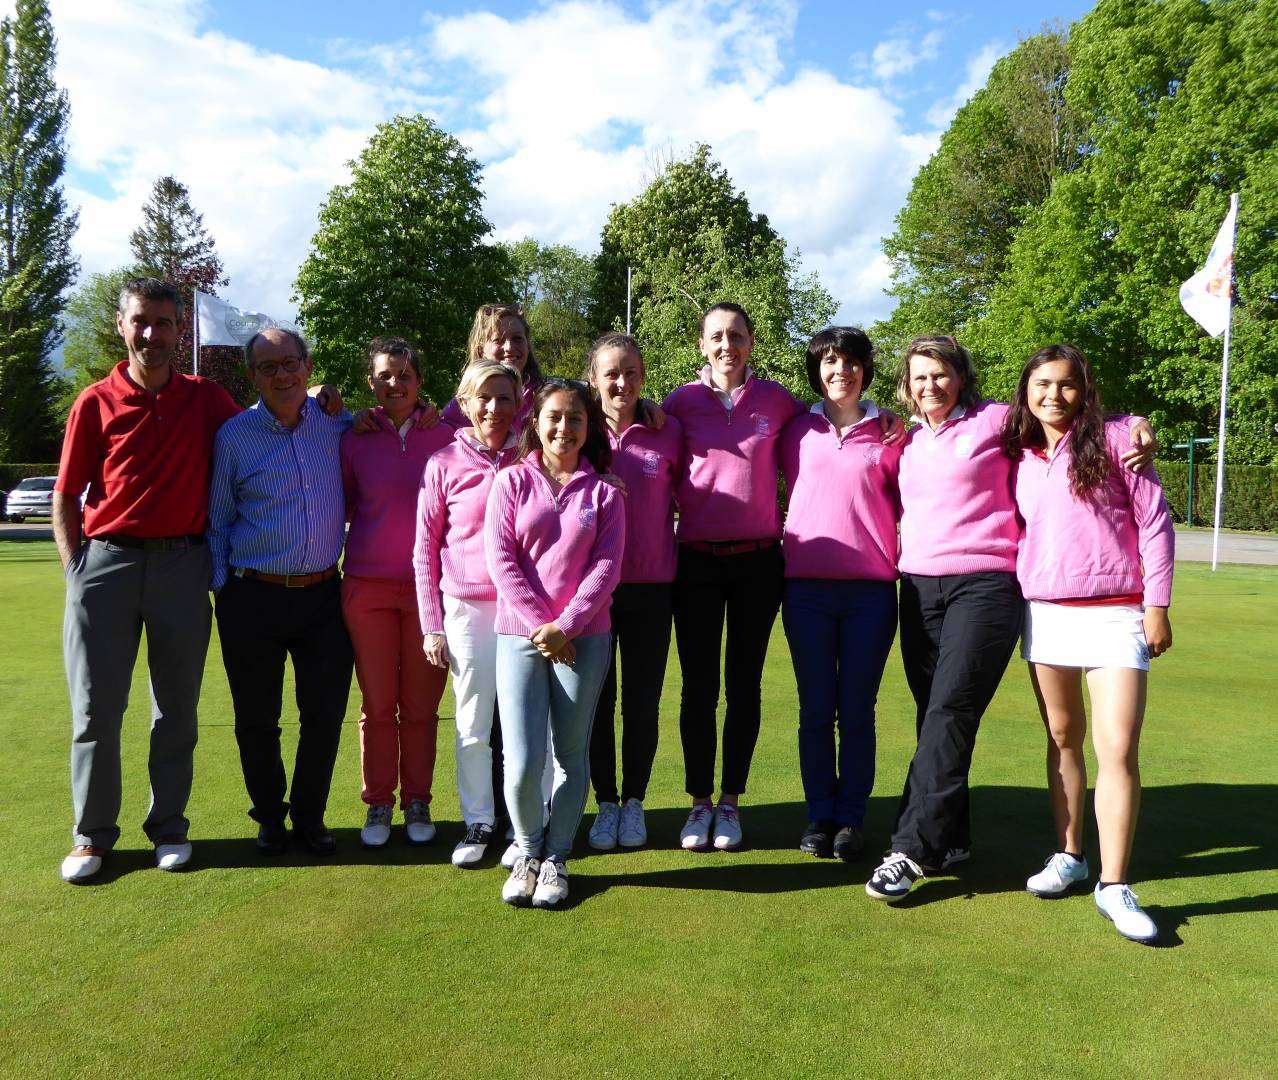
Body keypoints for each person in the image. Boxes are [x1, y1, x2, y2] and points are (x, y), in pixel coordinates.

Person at [865, 336, 1155, 902]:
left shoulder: (998, 423)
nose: (932, 385)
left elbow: (1068, 415)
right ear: (907, 384)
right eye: (920, 376)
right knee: (935, 715)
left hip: (987, 586)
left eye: (942, 374)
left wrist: (1135, 424)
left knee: (951, 709)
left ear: (962, 377)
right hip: (919, 587)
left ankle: (912, 849)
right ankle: (951, 838)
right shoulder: (902, 437)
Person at [663, 303, 902, 852]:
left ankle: (732, 804)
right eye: (717, 336)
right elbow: (643, 439)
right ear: (703, 343)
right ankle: (701, 804)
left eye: (738, 336)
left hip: (761, 563)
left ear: (752, 342)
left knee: (744, 685)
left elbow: (843, 410)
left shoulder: (781, 406)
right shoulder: (677, 404)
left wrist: (889, 415)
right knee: (699, 688)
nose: (728, 345)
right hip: (695, 561)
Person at [54, 278, 239, 882]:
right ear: (122, 325)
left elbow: (264, 431)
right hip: (105, 562)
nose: (152, 335)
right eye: (142, 322)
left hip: (182, 565)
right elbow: (65, 494)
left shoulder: (205, 398)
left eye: (164, 324)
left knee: (176, 709)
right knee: (94, 709)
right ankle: (92, 835)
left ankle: (169, 827)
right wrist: (74, 567)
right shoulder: (94, 401)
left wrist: (321, 402)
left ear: (179, 331)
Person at [1003, 344, 1173, 943]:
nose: (1054, 395)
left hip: (1117, 615)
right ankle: (1070, 855)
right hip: (1045, 614)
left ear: (1085, 390)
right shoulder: (1017, 452)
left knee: (1117, 746)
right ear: (1026, 390)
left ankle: (1114, 884)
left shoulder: (1119, 441)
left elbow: (1154, 524)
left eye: (1067, 384)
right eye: (1042, 384)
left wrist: (1158, 606)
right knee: (1061, 737)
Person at [208, 328, 355, 857]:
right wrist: (225, 594)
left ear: (307, 366)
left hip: (322, 597)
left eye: (289, 363)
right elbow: (219, 522)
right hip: (252, 597)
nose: (282, 375)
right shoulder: (234, 436)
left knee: (323, 715)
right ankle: (270, 816)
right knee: (256, 718)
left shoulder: (337, 424)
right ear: (253, 376)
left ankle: (310, 817)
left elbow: (393, 414)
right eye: (267, 367)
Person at [484, 379, 624, 907]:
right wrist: (546, 626)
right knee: (521, 761)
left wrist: (566, 626)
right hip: (521, 639)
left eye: (575, 419)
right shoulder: (511, 482)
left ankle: (556, 858)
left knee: (569, 754)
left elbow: (606, 567)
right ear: (536, 422)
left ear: (589, 429)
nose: (564, 428)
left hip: (582, 641)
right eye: (554, 417)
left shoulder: (605, 492)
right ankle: (526, 850)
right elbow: (501, 561)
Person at [779, 328, 901, 862]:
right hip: (805, 590)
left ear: (865, 370)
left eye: (851, 362)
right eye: (830, 362)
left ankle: (850, 818)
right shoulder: (794, 430)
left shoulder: (893, 434)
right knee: (814, 712)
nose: (841, 372)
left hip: (871, 594)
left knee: (857, 711)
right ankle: (818, 814)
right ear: (817, 370)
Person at [340, 337, 453, 848]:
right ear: (371, 382)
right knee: (379, 703)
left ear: (420, 382)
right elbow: (341, 505)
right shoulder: (354, 437)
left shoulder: (448, 438)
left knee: (421, 706)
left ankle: (418, 799)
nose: (395, 383)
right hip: (367, 587)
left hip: (431, 592)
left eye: (405, 375)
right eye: (385, 375)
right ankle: (380, 801)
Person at [415, 359, 525, 867]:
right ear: (464, 403)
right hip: (465, 607)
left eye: (504, 397)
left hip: (524, 606)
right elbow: (425, 550)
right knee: (474, 722)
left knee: (529, 722)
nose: (494, 408)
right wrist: (432, 625)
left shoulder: (532, 456)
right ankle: (479, 821)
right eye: (484, 397)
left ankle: (530, 824)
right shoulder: (442, 463)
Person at [583, 333, 682, 851]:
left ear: (644, 377)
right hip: (589, 592)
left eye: (632, 372)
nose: (622, 383)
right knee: (597, 700)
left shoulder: (666, 431)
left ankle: (634, 802)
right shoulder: (575, 429)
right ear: (593, 379)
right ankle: (604, 804)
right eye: (611, 373)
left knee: (642, 702)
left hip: (651, 588)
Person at [440, 304, 542, 430]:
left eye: (517, 338)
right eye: (498, 340)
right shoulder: (463, 404)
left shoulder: (544, 396)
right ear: (481, 350)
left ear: (527, 345)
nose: (509, 347)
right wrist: (420, 411)